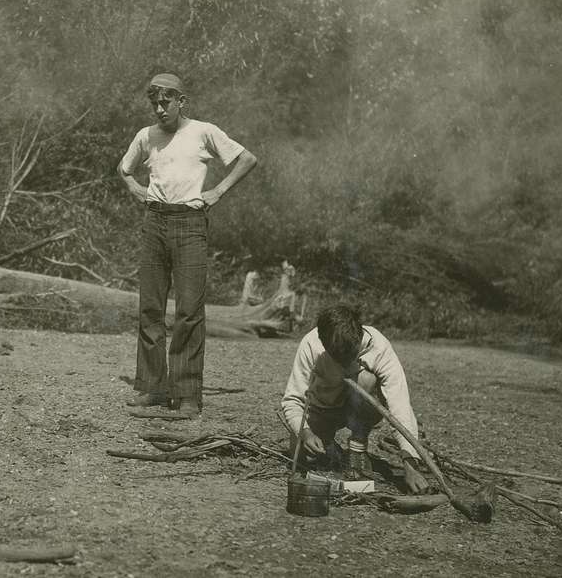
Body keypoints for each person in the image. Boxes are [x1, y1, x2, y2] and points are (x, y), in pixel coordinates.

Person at [118, 72, 258, 418]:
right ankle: (152, 388)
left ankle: (187, 396)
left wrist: (218, 191)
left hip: (190, 224)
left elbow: (246, 159)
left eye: (167, 102)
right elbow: (124, 169)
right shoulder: (145, 136)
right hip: (154, 223)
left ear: (182, 102)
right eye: (155, 103)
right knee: (150, 308)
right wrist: (137, 189)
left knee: (189, 311)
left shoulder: (202, 131)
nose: (160, 109)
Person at [280, 304, 431, 494]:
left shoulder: (379, 347)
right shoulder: (311, 344)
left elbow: (400, 407)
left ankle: (357, 446)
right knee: (305, 458)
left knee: (366, 380)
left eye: (349, 356)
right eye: (338, 358)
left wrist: (410, 463)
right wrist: (305, 432)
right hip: (322, 408)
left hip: (358, 408)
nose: (344, 364)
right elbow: (292, 399)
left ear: (359, 337)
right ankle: (328, 445)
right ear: (323, 343)